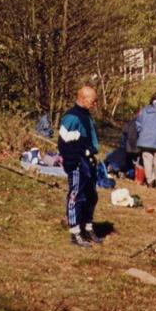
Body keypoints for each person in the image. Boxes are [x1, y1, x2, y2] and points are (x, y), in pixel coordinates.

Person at [58, 86, 102, 248]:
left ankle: (87, 227)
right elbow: (63, 143)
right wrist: (73, 162)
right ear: (83, 98)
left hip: (88, 161)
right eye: (93, 100)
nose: (95, 104)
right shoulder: (71, 117)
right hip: (77, 163)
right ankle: (75, 232)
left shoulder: (86, 115)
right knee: (76, 196)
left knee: (91, 196)